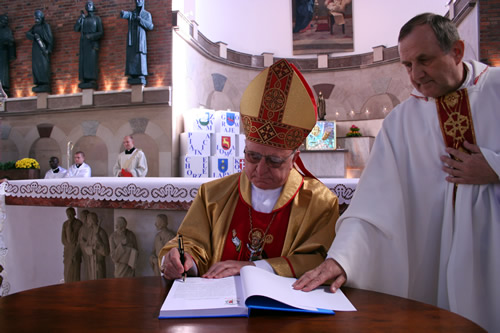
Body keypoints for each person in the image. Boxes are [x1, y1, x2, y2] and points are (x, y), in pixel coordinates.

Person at [293, 13, 500, 332]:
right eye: (407, 65)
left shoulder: (496, 90)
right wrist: (342, 259)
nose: (416, 75)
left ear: (457, 51)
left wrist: (495, 168)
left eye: (424, 60)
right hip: (435, 266)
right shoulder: (401, 122)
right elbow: (370, 206)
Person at [159, 59, 339, 280]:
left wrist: (253, 268)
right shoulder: (213, 195)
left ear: (294, 159)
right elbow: (192, 243)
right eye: (253, 156)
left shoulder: (320, 203)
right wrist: (181, 259)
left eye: (274, 160)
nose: (260, 169)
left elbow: (320, 259)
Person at [120, 0, 153, 85]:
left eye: (140, 0)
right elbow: (127, 14)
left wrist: (140, 20)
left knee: (140, 55)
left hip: (140, 39)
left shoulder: (146, 14)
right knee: (131, 55)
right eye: (136, 0)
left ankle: (141, 73)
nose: (138, 1)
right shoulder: (132, 13)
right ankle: (132, 73)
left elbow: (150, 26)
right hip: (132, 39)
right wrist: (123, 13)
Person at [74, 1, 103, 90]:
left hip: (92, 43)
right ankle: (84, 78)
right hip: (84, 43)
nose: (88, 6)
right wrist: (80, 20)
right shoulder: (84, 19)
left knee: (91, 62)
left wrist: (91, 36)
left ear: (93, 7)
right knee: (83, 61)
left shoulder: (97, 19)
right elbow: (76, 29)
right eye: (87, 5)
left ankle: (91, 79)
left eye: (90, 5)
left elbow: (101, 32)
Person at [25, 10, 53, 93]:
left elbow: (50, 38)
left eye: (38, 18)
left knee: (43, 66)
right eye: (35, 18)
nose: (36, 19)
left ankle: (44, 82)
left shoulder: (45, 26)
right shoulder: (34, 27)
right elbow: (28, 34)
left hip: (43, 49)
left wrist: (48, 49)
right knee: (36, 66)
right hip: (36, 49)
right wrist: (34, 36)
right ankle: (38, 82)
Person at [78, 212, 109, 280]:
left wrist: (99, 241)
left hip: (98, 264)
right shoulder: (91, 232)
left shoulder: (101, 233)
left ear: (92, 221)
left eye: (88, 220)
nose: (87, 222)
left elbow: (106, 252)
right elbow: (88, 245)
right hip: (91, 263)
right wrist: (85, 244)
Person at [61, 207, 82, 283]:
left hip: (75, 249)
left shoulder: (78, 223)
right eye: (68, 214)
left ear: (74, 214)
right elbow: (63, 239)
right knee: (67, 271)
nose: (69, 216)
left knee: (74, 270)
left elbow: (72, 238)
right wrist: (67, 245)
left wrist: (70, 225)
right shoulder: (65, 224)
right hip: (67, 250)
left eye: (70, 214)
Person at [0, 14, 16, 97]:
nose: (5, 23)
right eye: (3, 21)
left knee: (4, 70)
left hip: (4, 53)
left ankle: (4, 86)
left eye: (6, 21)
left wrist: (9, 43)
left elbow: (11, 42)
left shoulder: (7, 30)